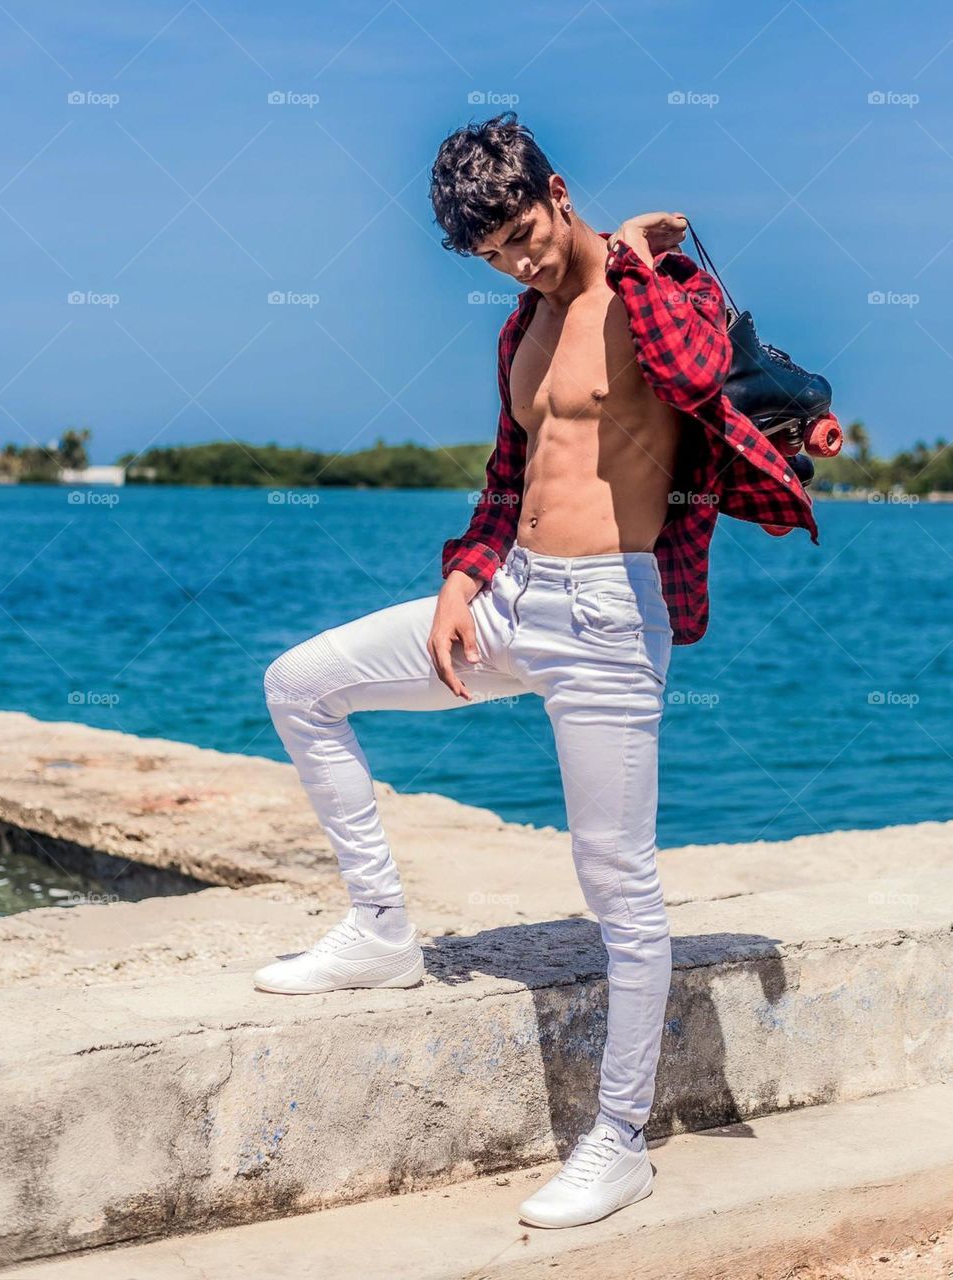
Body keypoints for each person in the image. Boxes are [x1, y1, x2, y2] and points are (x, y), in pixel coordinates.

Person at [255, 112, 819, 1230]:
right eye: (491, 254)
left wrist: (631, 258)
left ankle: (618, 1143)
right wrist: (462, 578)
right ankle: (379, 931)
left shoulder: (665, 292)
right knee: (299, 684)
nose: (516, 262)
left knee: (617, 880)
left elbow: (697, 370)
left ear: (557, 193)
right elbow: (506, 476)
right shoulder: (520, 324)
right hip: (511, 596)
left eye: (522, 234)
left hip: (608, 614)